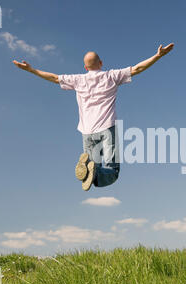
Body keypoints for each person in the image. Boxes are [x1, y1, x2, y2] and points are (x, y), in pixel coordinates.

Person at [13, 43, 174, 191]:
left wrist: (31, 70)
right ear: (101, 63)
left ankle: (92, 167)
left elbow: (54, 78)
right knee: (112, 171)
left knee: (92, 172)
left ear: (85, 67)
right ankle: (94, 169)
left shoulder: (78, 80)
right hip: (107, 129)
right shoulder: (111, 76)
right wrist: (158, 56)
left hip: (86, 132)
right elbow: (137, 69)